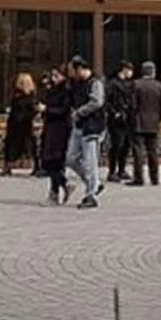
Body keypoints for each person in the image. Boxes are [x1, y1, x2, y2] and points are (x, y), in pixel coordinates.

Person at [66, 56, 106, 209]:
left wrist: (80, 112)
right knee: (71, 158)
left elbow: (97, 102)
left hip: (92, 127)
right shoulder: (76, 84)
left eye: (72, 70)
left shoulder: (95, 83)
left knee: (90, 162)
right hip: (79, 126)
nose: (71, 74)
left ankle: (91, 194)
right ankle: (95, 183)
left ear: (80, 69)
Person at [130, 59, 161, 186]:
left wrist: (132, 118)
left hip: (139, 122)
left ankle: (139, 178)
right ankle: (154, 178)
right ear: (153, 72)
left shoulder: (136, 85)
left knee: (138, 152)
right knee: (153, 151)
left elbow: (133, 105)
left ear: (142, 72)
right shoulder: (160, 86)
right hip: (153, 123)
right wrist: (158, 119)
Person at [38, 67, 74, 204]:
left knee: (55, 160)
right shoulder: (51, 90)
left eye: (56, 75)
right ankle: (63, 185)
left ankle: (55, 192)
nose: (53, 78)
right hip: (50, 127)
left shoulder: (66, 90)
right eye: (52, 75)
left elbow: (64, 110)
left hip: (60, 128)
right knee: (49, 161)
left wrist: (47, 109)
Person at [105, 62, 138, 186]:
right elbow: (106, 101)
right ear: (123, 70)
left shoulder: (130, 84)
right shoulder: (112, 83)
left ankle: (122, 169)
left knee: (126, 145)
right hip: (116, 119)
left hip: (128, 118)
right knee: (117, 145)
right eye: (129, 70)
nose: (131, 73)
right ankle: (112, 171)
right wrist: (114, 112)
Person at [2, 72, 40, 177]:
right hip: (19, 124)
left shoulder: (27, 97)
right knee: (14, 145)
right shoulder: (21, 96)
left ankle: (36, 166)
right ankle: (8, 167)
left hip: (23, 124)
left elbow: (32, 110)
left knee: (28, 145)